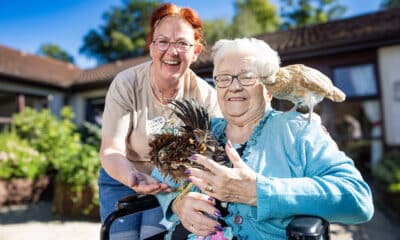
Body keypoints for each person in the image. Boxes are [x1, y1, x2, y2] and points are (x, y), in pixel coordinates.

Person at [152, 38, 374, 240]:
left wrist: (257, 191)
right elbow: (160, 181)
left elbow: (356, 198)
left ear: (269, 89)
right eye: (223, 78)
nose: (234, 86)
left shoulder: (298, 129)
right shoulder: (201, 131)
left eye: (247, 76)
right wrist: (177, 205)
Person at [98, 3, 220, 240]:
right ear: (152, 47)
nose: (171, 51)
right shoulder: (127, 83)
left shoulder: (205, 95)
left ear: (196, 52)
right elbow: (111, 150)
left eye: (182, 43)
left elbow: (212, 154)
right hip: (122, 175)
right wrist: (133, 177)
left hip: (172, 183)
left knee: (153, 237)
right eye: (162, 41)